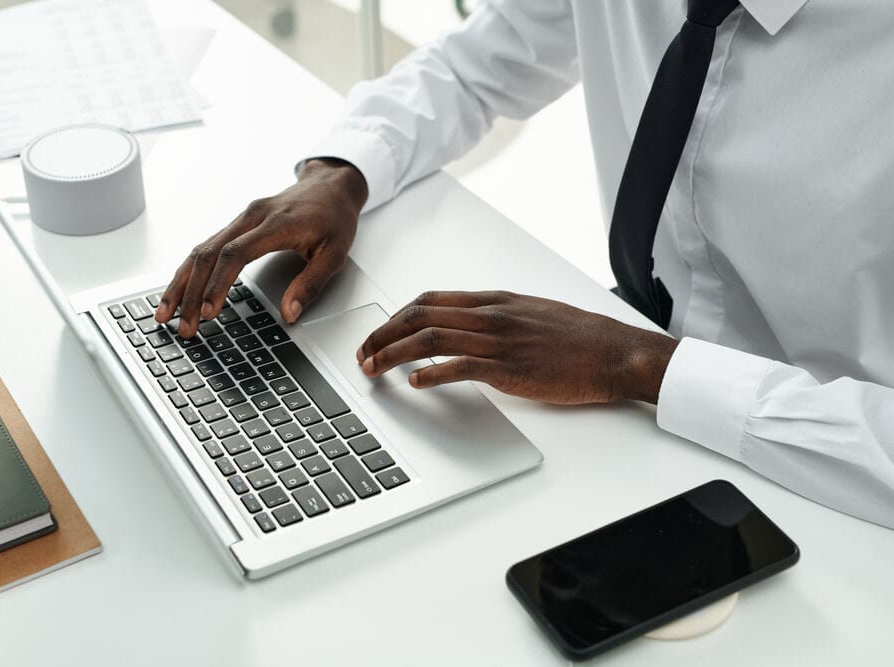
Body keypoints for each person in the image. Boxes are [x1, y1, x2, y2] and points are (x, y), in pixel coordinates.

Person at [155, 0, 894, 529]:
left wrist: (642, 363)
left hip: (831, 471)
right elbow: (481, 60)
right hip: (641, 410)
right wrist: (343, 171)